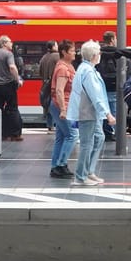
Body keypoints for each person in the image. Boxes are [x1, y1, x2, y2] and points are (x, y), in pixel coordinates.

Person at [67, 40, 115, 186]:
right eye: (99, 52)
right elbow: (95, 95)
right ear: (94, 55)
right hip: (87, 113)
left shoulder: (87, 69)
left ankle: (89, 171)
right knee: (87, 144)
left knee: (99, 138)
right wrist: (107, 113)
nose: (100, 55)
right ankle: (81, 176)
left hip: (90, 113)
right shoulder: (87, 71)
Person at [48, 41, 79, 178]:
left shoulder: (66, 66)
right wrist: (63, 109)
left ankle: (56, 166)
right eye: (72, 51)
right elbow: (59, 90)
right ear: (64, 52)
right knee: (73, 135)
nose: (75, 53)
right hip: (63, 105)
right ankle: (61, 164)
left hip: (61, 104)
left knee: (61, 136)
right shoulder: (63, 69)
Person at [0, 35, 24, 141]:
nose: (12, 43)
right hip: (7, 84)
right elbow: (12, 67)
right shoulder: (8, 54)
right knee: (12, 108)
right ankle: (15, 134)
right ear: (4, 43)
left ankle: (2, 134)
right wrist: (18, 79)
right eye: (10, 41)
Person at [97, 31, 120, 141]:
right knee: (114, 109)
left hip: (101, 85)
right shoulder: (118, 52)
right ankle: (115, 132)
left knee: (104, 109)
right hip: (114, 85)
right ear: (112, 39)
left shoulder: (99, 53)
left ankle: (107, 132)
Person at [38, 39, 60, 133]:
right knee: (55, 104)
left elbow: (40, 72)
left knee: (47, 105)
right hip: (54, 84)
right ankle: (57, 125)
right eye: (56, 45)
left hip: (45, 85)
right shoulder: (57, 56)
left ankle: (50, 125)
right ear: (53, 47)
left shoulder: (43, 57)